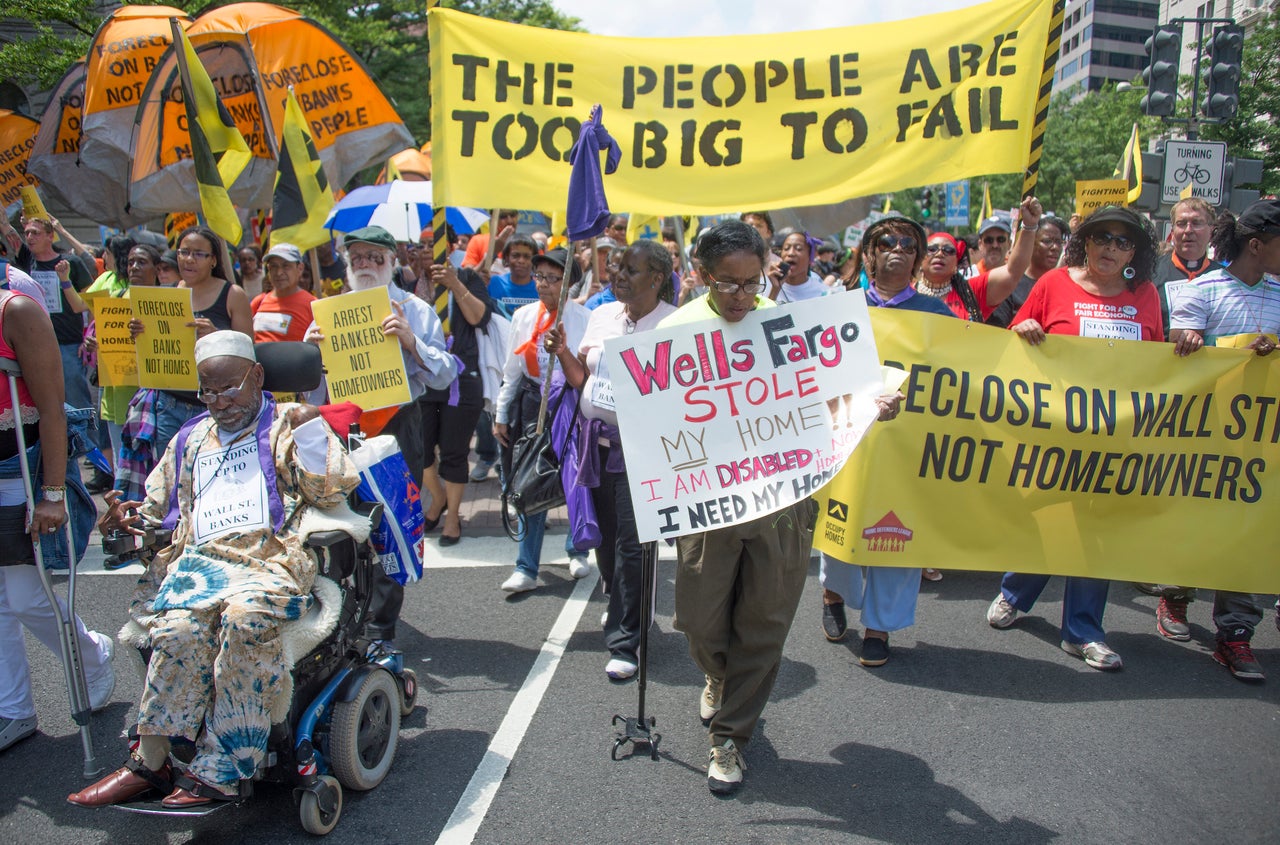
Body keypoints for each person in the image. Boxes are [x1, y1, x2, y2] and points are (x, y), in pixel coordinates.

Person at [66, 331, 359, 807]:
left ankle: (224, 765)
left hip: (269, 560)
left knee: (245, 619)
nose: (219, 401)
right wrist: (126, 520)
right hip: (201, 564)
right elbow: (157, 510)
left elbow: (331, 490)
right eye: (208, 390)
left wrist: (309, 431)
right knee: (178, 627)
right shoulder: (190, 437)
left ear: (257, 377)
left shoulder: (287, 422)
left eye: (229, 388)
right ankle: (152, 760)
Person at [660, 219, 902, 794]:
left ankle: (730, 737)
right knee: (697, 620)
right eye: (729, 285)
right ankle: (718, 675)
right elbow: (651, 425)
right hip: (709, 505)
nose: (743, 297)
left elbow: (838, 394)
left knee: (764, 624)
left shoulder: (788, 326)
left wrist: (874, 405)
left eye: (752, 285)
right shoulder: (672, 335)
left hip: (785, 501)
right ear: (701, 276)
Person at [986, 205, 1162, 671]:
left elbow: (1160, 365)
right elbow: (1013, 341)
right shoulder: (1053, 284)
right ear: (1084, 240)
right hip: (1056, 435)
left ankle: (1083, 632)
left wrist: (1185, 346)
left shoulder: (1145, 295)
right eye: (1102, 236)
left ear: (1135, 252)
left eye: (1123, 241)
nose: (1111, 247)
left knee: (1094, 532)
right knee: (1051, 520)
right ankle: (1015, 592)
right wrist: (1023, 328)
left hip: (1116, 439)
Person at [305, 226, 455, 650]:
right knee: (338, 522)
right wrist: (312, 355)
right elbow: (311, 394)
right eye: (357, 257)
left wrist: (410, 342)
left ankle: (381, 626)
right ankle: (339, 612)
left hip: (396, 426)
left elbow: (444, 374)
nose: (365, 264)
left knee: (389, 523)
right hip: (340, 428)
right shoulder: (330, 311)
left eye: (374, 256)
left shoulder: (416, 310)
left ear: (392, 261)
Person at [819, 215, 955, 666]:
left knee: (899, 533)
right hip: (848, 436)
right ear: (871, 254)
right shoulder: (843, 307)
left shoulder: (938, 315)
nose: (898, 248)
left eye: (908, 244)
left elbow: (957, 378)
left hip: (906, 441)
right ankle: (833, 595)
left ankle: (879, 627)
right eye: (887, 242)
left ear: (916, 259)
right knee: (842, 521)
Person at [1162, 199, 1280, 682]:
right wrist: (1190, 341)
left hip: (1261, 446)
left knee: (1250, 533)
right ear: (1257, 245)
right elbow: (1178, 346)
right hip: (1205, 440)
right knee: (1196, 523)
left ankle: (1235, 634)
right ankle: (1176, 596)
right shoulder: (1203, 290)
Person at [548, 239, 677, 680]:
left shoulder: (675, 325)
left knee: (633, 548)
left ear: (657, 278)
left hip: (642, 453)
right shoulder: (602, 316)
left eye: (630, 270)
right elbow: (582, 378)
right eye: (616, 267)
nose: (617, 275)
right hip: (594, 446)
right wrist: (563, 351)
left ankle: (626, 641)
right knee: (605, 542)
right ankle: (620, 601)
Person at [0, 286, 115, 753]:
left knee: (27, 598)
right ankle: (13, 709)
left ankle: (93, 658)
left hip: (19, 470)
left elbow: (51, 409)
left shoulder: (17, 310)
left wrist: (51, 494)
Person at [494, 248, 592, 592]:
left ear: (569, 286)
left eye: (553, 278)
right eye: (540, 277)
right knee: (529, 479)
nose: (544, 285)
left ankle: (578, 549)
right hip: (532, 403)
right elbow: (510, 370)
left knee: (575, 479)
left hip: (571, 405)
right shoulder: (522, 317)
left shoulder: (584, 318)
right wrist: (502, 413)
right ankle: (526, 566)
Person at [416, 231, 493, 547]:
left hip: (462, 380)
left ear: (445, 249)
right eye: (417, 246)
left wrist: (454, 284)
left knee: (454, 451)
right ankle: (438, 498)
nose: (424, 251)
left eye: (429, 245)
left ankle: (450, 517)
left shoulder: (467, 277)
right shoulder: (412, 288)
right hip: (424, 380)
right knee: (420, 449)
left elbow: (479, 318)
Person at [12, 217, 95, 416]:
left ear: (50, 236)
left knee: (77, 405)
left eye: (36, 233)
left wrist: (88, 336)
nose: (30, 237)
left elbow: (91, 302)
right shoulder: (26, 263)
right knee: (42, 404)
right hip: (34, 346)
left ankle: (87, 446)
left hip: (69, 345)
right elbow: (12, 238)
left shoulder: (71, 262)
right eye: (28, 233)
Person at [915, 195, 1041, 322]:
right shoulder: (904, 292)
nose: (939, 254)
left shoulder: (971, 292)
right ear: (921, 258)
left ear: (956, 263)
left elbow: (1013, 271)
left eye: (948, 250)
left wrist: (1029, 226)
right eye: (932, 249)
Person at [986, 214, 1068, 329]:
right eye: (1047, 241)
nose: (1055, 247)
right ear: (1031, 243)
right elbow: (998, 333)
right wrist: (1017, 328)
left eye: (1059, 242)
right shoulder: (1009, 284)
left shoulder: (1067, 286)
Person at [1153, 197, 1221, 337]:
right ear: (1172, 231)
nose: (1188, 230)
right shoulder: (1151, 271)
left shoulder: (1223, 277)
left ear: (1211, 231)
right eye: (1181, 223)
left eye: (1196, 223)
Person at [250, 243, 315, 344]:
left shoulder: (313, 305)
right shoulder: (258, 302)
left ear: (300, 268)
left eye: (286, 266)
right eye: (274, 267)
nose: (279, 272)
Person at [768, 230, 830, 303]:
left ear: (810, 256)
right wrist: (775, 290)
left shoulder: (823, 293)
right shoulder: (766, 285)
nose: (791, 253)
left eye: (798, 249)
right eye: (786, 248)